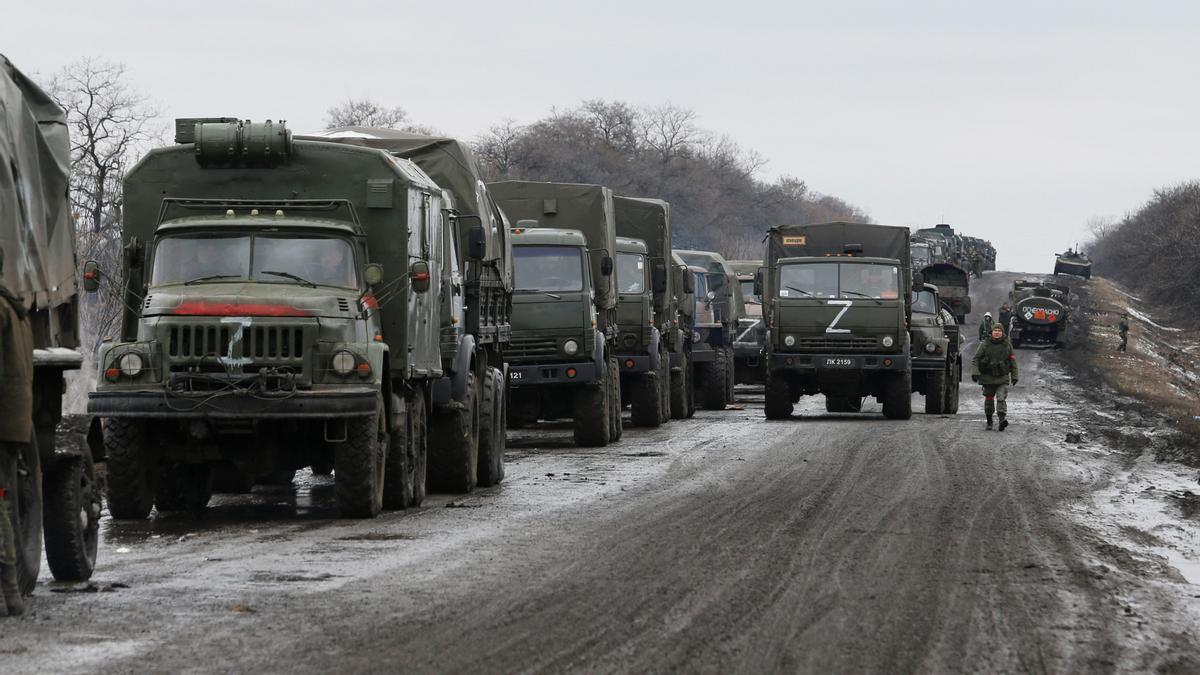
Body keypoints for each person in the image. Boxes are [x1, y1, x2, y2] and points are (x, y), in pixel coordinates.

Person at [0, 247, 32, 617]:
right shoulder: (17, 310)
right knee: (4, 501)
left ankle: (6, 590)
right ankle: (9, 595)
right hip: (14, 424)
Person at [972, 322, 1019, 431]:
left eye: (999, 331)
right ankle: (989, 421)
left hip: (1002, 377)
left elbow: (1013, 362)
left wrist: (1015, 376)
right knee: (989, 399)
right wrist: (975, 372)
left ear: (1002, 333)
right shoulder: (984, 344)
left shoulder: (1007, 345)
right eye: (995, 331)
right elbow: (976, 359)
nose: (997, 333)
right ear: (991, 332)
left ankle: (1002, 420)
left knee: (1001, 397)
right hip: (987, 377)